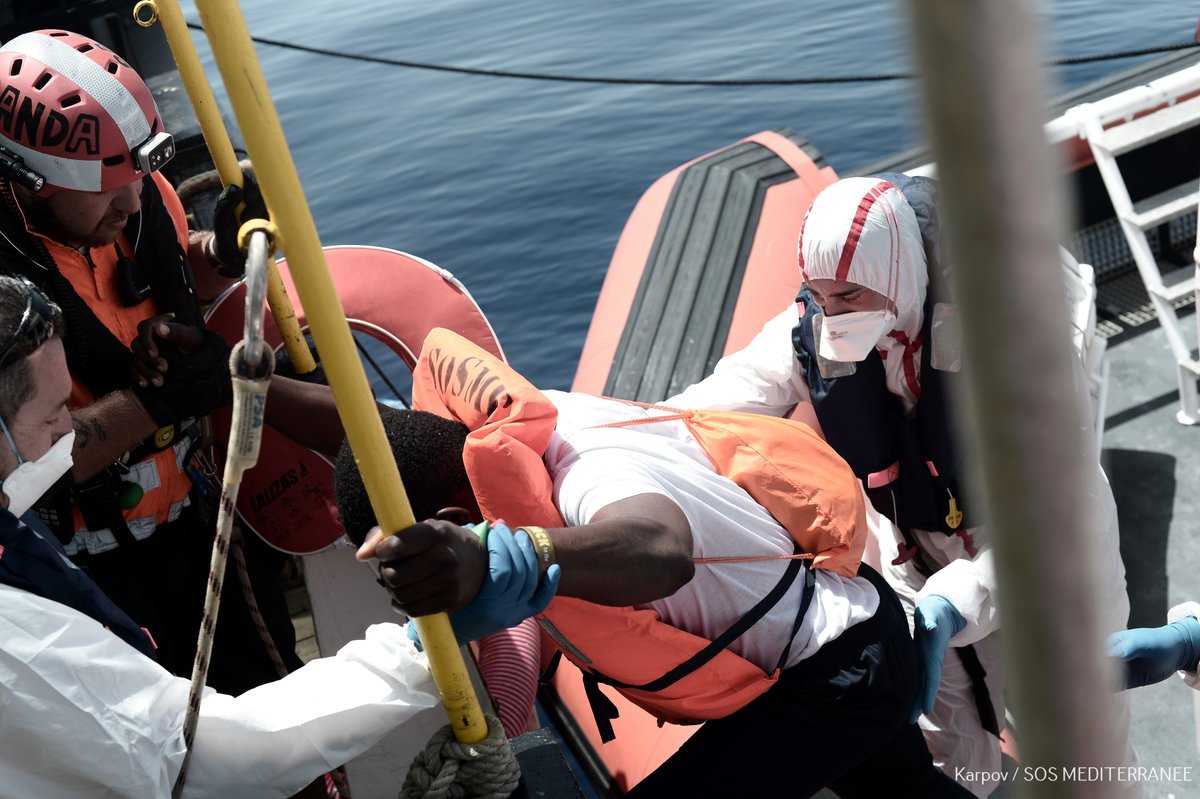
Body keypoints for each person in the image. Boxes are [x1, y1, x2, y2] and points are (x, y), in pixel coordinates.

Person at [335, 326, 973, 798]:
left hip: (836, 670)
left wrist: (507, 557)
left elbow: (661, 549)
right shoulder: (506, 431)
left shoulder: (585, 478)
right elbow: (355, 434)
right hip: (853, 629)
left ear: (450, 527)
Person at [666, 175, 1132, 796]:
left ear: (899, 272)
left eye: (851, 295)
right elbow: (709, 410)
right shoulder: (817, 327)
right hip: (913, 548)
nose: (832, 315)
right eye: (817, 295)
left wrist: (959, 597)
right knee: (952, 744)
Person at [0, 275, 443, 798]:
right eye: (53, 416)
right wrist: (417, 653)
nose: (69, 432)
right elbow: (194, 756)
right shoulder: (15, 638)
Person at [0, 28, 309, 693]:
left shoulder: (134, 199)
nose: (132, 201)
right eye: (101, 187)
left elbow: (165, 264)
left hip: (201, 520)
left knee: (272, 690)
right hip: (89, 574)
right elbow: (22, 463)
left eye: (135, 173)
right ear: (25, 182)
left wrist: (217, 253)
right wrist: (159, 401)